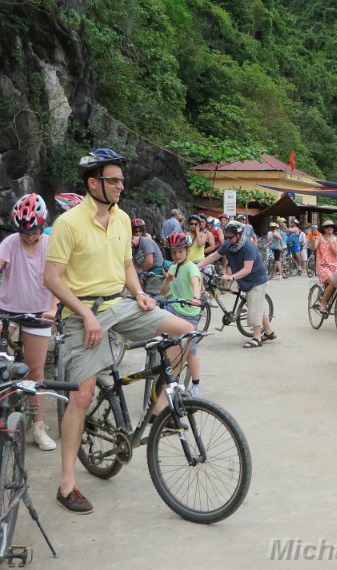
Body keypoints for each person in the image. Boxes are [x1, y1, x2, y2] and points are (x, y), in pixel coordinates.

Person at [44, 148, 191, 514]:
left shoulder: (123, 219)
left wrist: (140, 293)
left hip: (120, 304)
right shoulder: (69, 223)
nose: (120, 186)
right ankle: (67, 484)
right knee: (81, 396)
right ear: (93, 183)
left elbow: (127, 265)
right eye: (113, 180)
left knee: (184, 332)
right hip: (84, 313)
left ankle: (158, 412)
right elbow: (52, 278)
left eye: (121, 180)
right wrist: (84, 313)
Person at [0, 194, 59, 451]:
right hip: (8, 310)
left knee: (36, 372)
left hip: (39, 312)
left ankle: (37, 426)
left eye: (33, 230)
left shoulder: (50, 244)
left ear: (42, 225)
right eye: (23, 231)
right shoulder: (10, 243)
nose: (28, 236)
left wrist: (54, 307)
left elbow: (59, 279)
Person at [197, 221, 276, 348]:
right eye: (226, 236)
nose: (228, 239)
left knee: (254, 309)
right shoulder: (228, 245)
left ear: (238, 235)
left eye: (230, 237)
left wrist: (231, 277)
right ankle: (269, 332)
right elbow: (213, 256)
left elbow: (247, 269)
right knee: (256, 305)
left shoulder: (248, 246)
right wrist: (197, 267)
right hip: (243, 280)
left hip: (256, 279)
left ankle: (257, 338)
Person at [160, 232, 203, 397]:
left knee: (190, 352)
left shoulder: (191, 267)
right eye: (173, 252)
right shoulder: (172, 268)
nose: (177, 255)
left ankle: (196, 384)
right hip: (174, 309)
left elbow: (195, 283)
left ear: (187, 251)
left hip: (190, 313)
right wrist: (167, 280)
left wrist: (196, 297)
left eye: (180, 251)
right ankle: (157, 363)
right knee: (160, 333)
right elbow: (163, 292)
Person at [309, 219, 337, 315]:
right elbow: (314, 247)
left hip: (334, 266)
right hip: (322, 266)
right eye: (327, 227)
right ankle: (322, 304)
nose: (330, 228)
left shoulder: (335, 239)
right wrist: (313, 240)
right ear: (324, 229)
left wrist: (330, 243)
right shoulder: (319, 238)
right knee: (333, 282)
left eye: (331, 227)